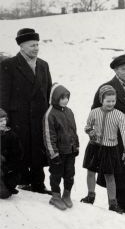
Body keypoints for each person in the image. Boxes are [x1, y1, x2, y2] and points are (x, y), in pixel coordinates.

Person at [0, 28, 52, 194]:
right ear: (21, 46)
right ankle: (22, 182)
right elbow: (3, 93)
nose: (36, 48)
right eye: (32, 45)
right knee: (20, 150)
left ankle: (38, 184)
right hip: (18, 117)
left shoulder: (43, 65)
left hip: (39, 116)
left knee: (38, 149)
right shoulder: (8, 65)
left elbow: (48, 91)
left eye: (37, 44)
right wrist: (4, 118)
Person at [91, 54, 125, 214]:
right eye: (123, 69)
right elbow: (95, 111)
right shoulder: (106, 87)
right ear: (115, 70)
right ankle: (115, 203)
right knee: (116, 168)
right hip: (113, 136)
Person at [81, 85, 125, 213]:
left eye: (113, 101)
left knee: (110, 175)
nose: (111, 103)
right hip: (94, 146)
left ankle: (112, 203)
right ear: (101, 100)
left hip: (110, 149)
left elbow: (124, 132)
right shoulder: (94, 112)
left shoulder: (120, 115)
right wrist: (90, 131)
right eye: (108, 101)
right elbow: (87, 126)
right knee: (91, 171)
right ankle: (90, 195)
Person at [43, 84, 79, 210]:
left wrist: (76, 146)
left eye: (67, 97)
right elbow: (48, 136)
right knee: (56, 174)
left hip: (70, 150)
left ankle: (67, 195)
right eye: (62, 98)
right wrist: (54, 154)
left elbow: (73, 130)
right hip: (58, 153)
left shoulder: (69, 112)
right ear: (54, 98)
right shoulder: (50, 114)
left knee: (70, 174)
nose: (65, 100)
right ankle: (56, 197)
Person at [0, 108, 23, 199]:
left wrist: (8, 167)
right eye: (0, 121)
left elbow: (18, 155)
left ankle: (6, 187)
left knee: (5, 194)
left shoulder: (11, 136)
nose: (3, 123)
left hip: (8, 171)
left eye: (4, 120)